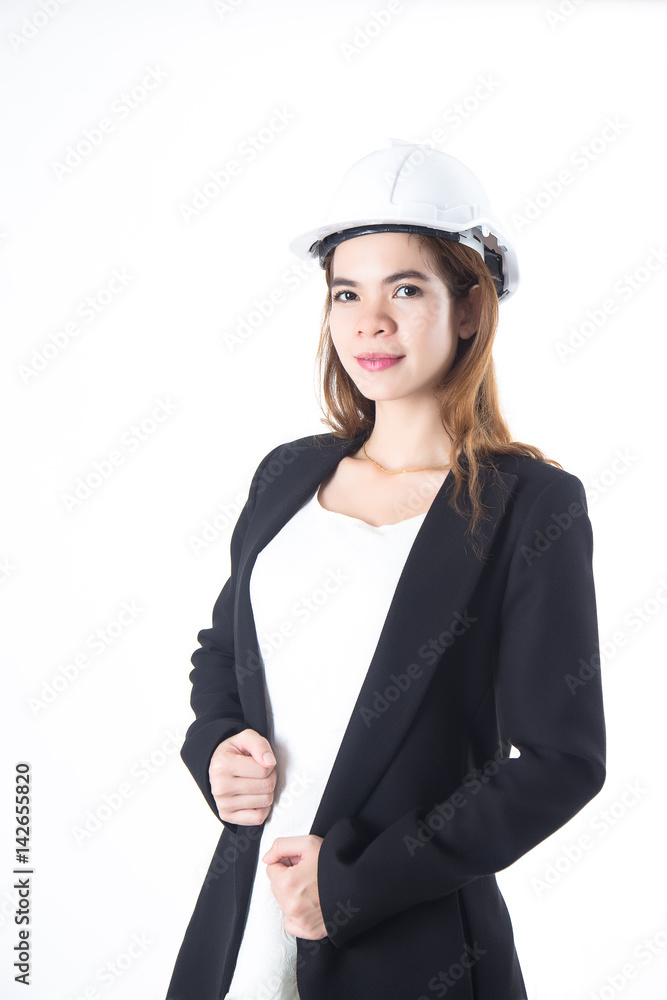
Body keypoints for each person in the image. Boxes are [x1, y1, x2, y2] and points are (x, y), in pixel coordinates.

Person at [165, 140, 606, 1000]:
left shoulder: (528, 505)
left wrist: (355, 885)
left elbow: (561, 760)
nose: (369, 321)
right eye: (346, 293)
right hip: (241, 923)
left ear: (468, 306)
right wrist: (216, 745)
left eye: (404, 289)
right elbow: (225, 653)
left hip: (410, 947)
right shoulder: (287, 475)